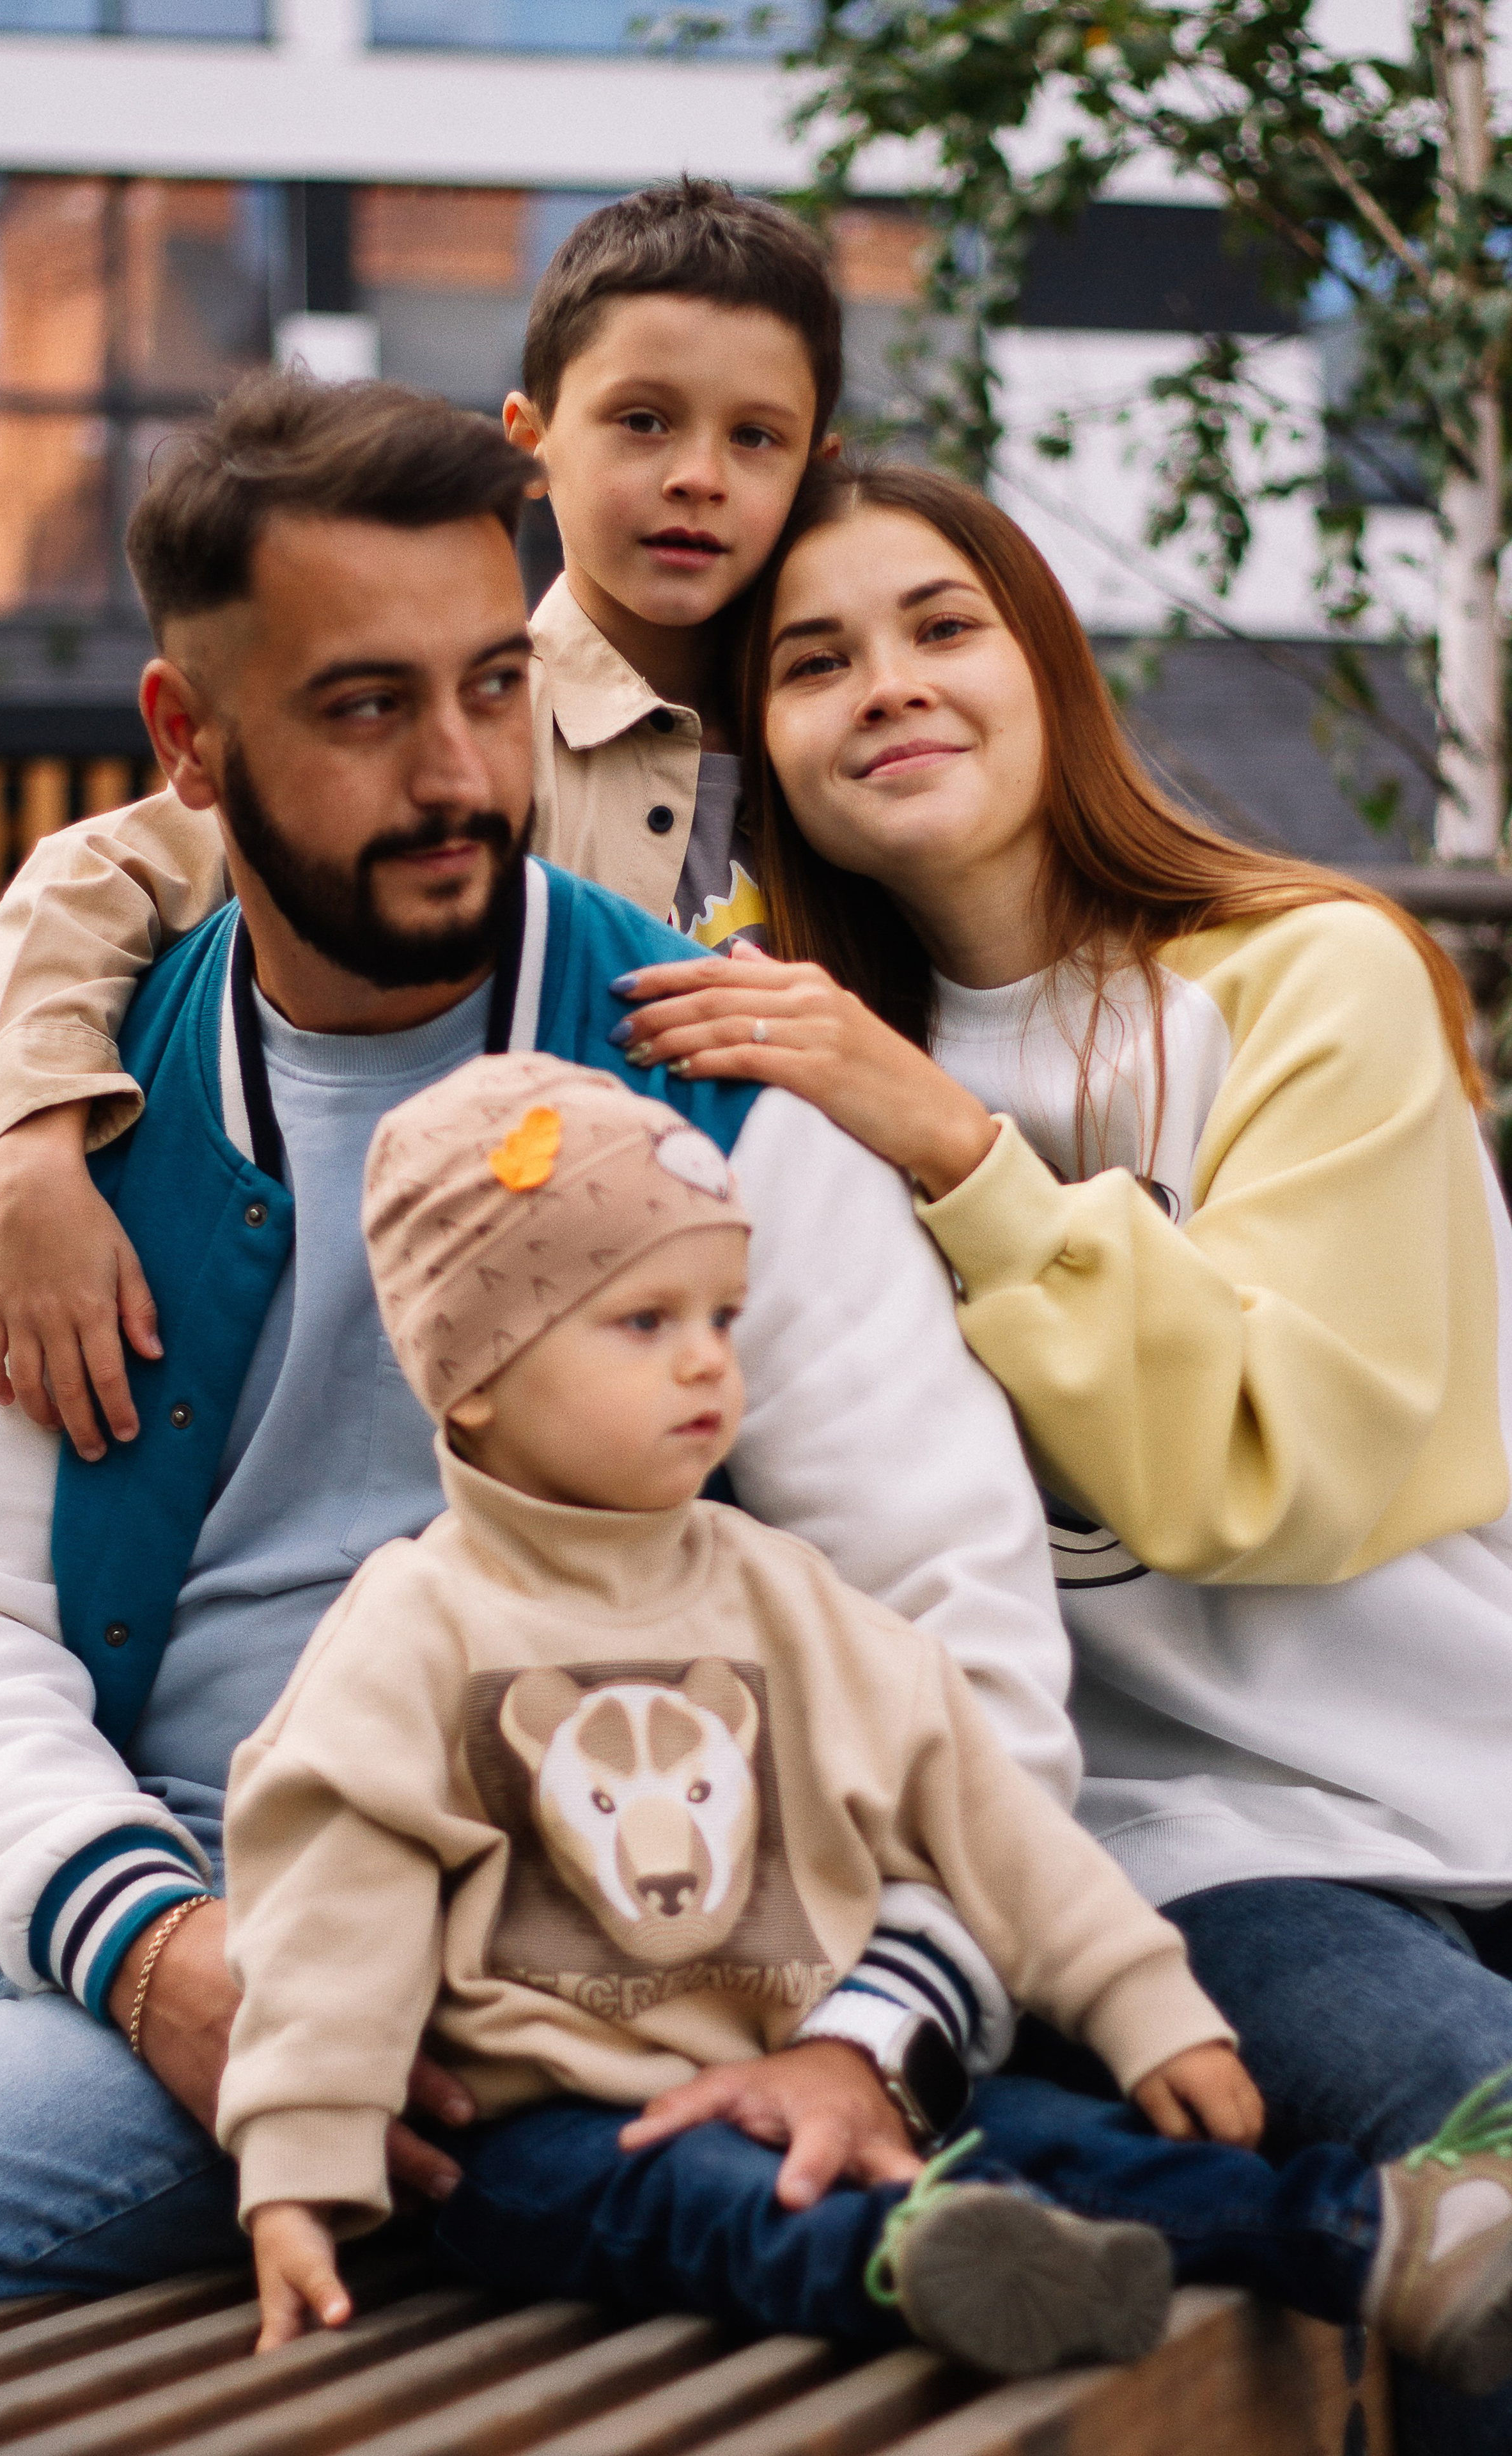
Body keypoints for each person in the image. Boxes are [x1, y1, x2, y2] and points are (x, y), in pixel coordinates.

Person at [0, 384, 1072, 2322]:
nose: (461, 774)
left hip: (434, 1949)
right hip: (78, 1884)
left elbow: (962, 1628)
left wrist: (874, 2034)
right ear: (191, 741)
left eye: (494, 686)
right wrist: (147, 1941)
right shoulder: (74, 1123)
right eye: (366, 708)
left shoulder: (722, 1082)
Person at [604, 455, 1512, 2456]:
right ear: (757, 747)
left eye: (945, 625)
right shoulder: (776, 1069)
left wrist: (948, 1143)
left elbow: (1271, 1482)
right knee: (1487, 2173)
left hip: (1464, 1790)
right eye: (815, 661)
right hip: (1186, 1852)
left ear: (1050, 667)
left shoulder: (1305, 977)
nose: (891, 686)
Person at [221, 1049, 1512, 2405]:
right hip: (548, 2118)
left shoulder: (778, 1594)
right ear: (470, 1375)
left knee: (1070, 2137)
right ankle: (921, 2258)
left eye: (722, 1313)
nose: (706, 1359)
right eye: (642, 1322)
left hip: (822, 2065)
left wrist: (1142, 2002)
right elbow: (330, 1904)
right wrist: (297, 2167)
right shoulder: (418, 1625)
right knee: (669, 2196)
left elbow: (981, 1808)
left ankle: (1378, 2232)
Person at [0, 176, 827, 1480]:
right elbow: (99, 873)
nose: (697, 477)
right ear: (530, 444)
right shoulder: (465, 735)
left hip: (780, 1351)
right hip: (509, 1373)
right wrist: (31, 1154)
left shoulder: (835, 742)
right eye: (641, 421)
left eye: (754, 438)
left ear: (813, 465)